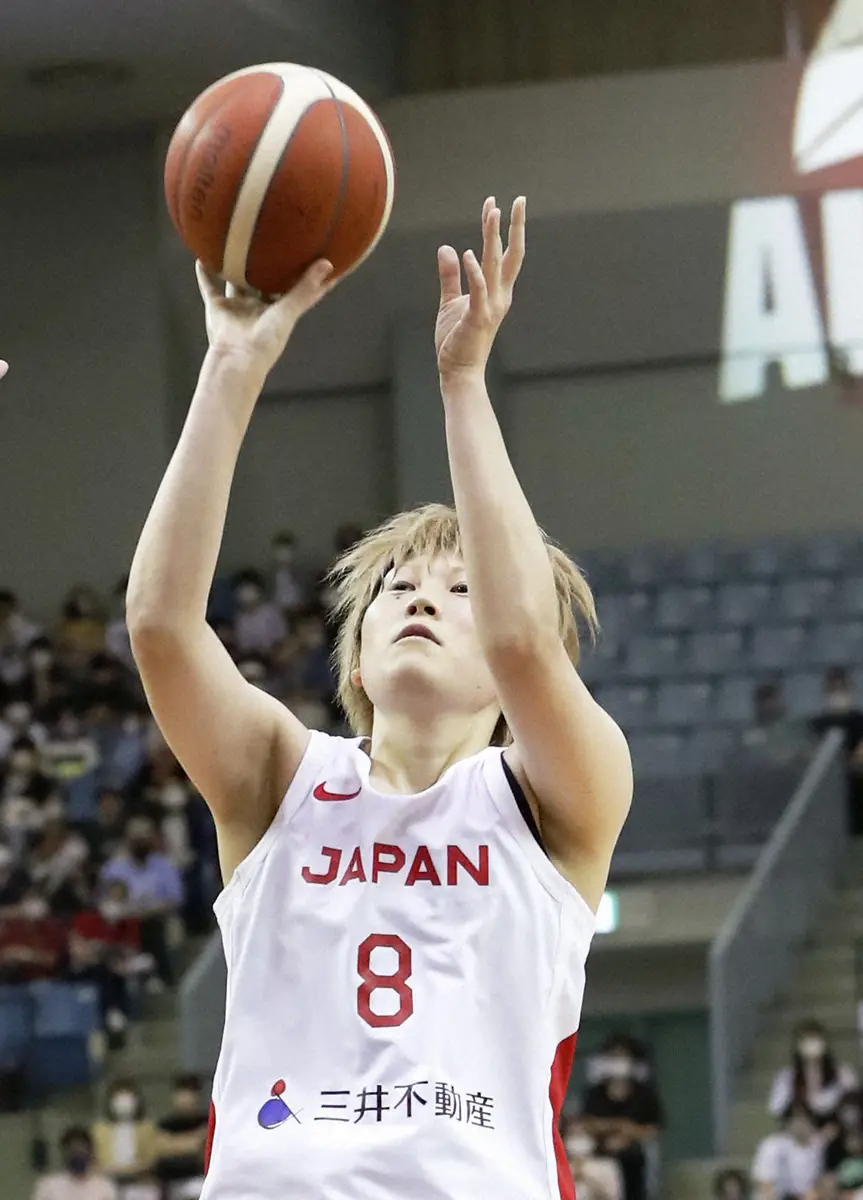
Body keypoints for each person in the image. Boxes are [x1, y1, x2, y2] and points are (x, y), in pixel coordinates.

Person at [124, 197, 632, 1199]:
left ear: (500, 663)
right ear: (351, 662)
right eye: (397, 588)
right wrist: (231, 368)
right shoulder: (280, 776)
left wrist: (461, 385)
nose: (417, 598)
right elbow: (160, 626)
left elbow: (524, 637)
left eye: (457, 591)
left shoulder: (559, 799)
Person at [580, 1035, 664, 1200]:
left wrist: (629, 1133)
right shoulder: (595, 1093)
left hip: (634, 1151)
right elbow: (585, 1123)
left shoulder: (644, 1094)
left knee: (632, 1159)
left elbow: (654, 1127)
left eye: (622, 1057)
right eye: (613, 1057)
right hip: (600, 1150)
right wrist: (614, 1126)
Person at [769, 1020, 858, 1124]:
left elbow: (854, 1105)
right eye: (806, 1041)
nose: (811, 1045)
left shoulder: (842, 1073)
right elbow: (778, 1109)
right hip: (801, 1133)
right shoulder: (787, 1077)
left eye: (815, 1040)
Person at [811, 667, 863, 837]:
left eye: (841, 689)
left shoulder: (859, 721)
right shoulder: (817, 725)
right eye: (833, 690)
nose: (837, 695)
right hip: (827, 791)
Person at [92, 1077, 157, 1191]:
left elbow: (151, 1160)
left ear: (136, 1100)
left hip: (139, 1182)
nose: (123, 1101)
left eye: (127, 1096)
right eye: (118, 1096)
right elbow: (94, 1161)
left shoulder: (147, 1128)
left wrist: (128, 1170)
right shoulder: (99, 1130)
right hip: (106, 1182)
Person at [751, 1102, 825, 1200]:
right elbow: (765, 1184)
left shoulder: (815, 1148)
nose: (803, 1125)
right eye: (799, 1120)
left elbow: (815, 1186)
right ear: (789, 1122)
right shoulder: (773, 1145)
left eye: (806, 1120)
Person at [153, 1075, 210, 1199]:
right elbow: (160, 1149)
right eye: (182, 1094)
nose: (186, 1099)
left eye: (190, 1094)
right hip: (171, 1182)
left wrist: (174, 1143)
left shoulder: (208, 1122)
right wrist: (196, 1138)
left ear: (198, 1096)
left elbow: (202, 1152)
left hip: (200, 1180)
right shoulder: (165, 1124)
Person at [31, 1126, 118, 1200]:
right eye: (73, 1150)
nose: (78, 1154)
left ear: (90, 1152)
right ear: (64, 1152)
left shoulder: (104, 1186)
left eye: (82, 1150)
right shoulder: (48, 1186)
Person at [561, 1114, 623, 1200]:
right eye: (573, 1134)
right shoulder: (558, 1167)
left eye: (582, 1134)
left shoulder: (607, 1165)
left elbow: (613, 1195)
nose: (578, 1139)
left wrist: (587, 1176)